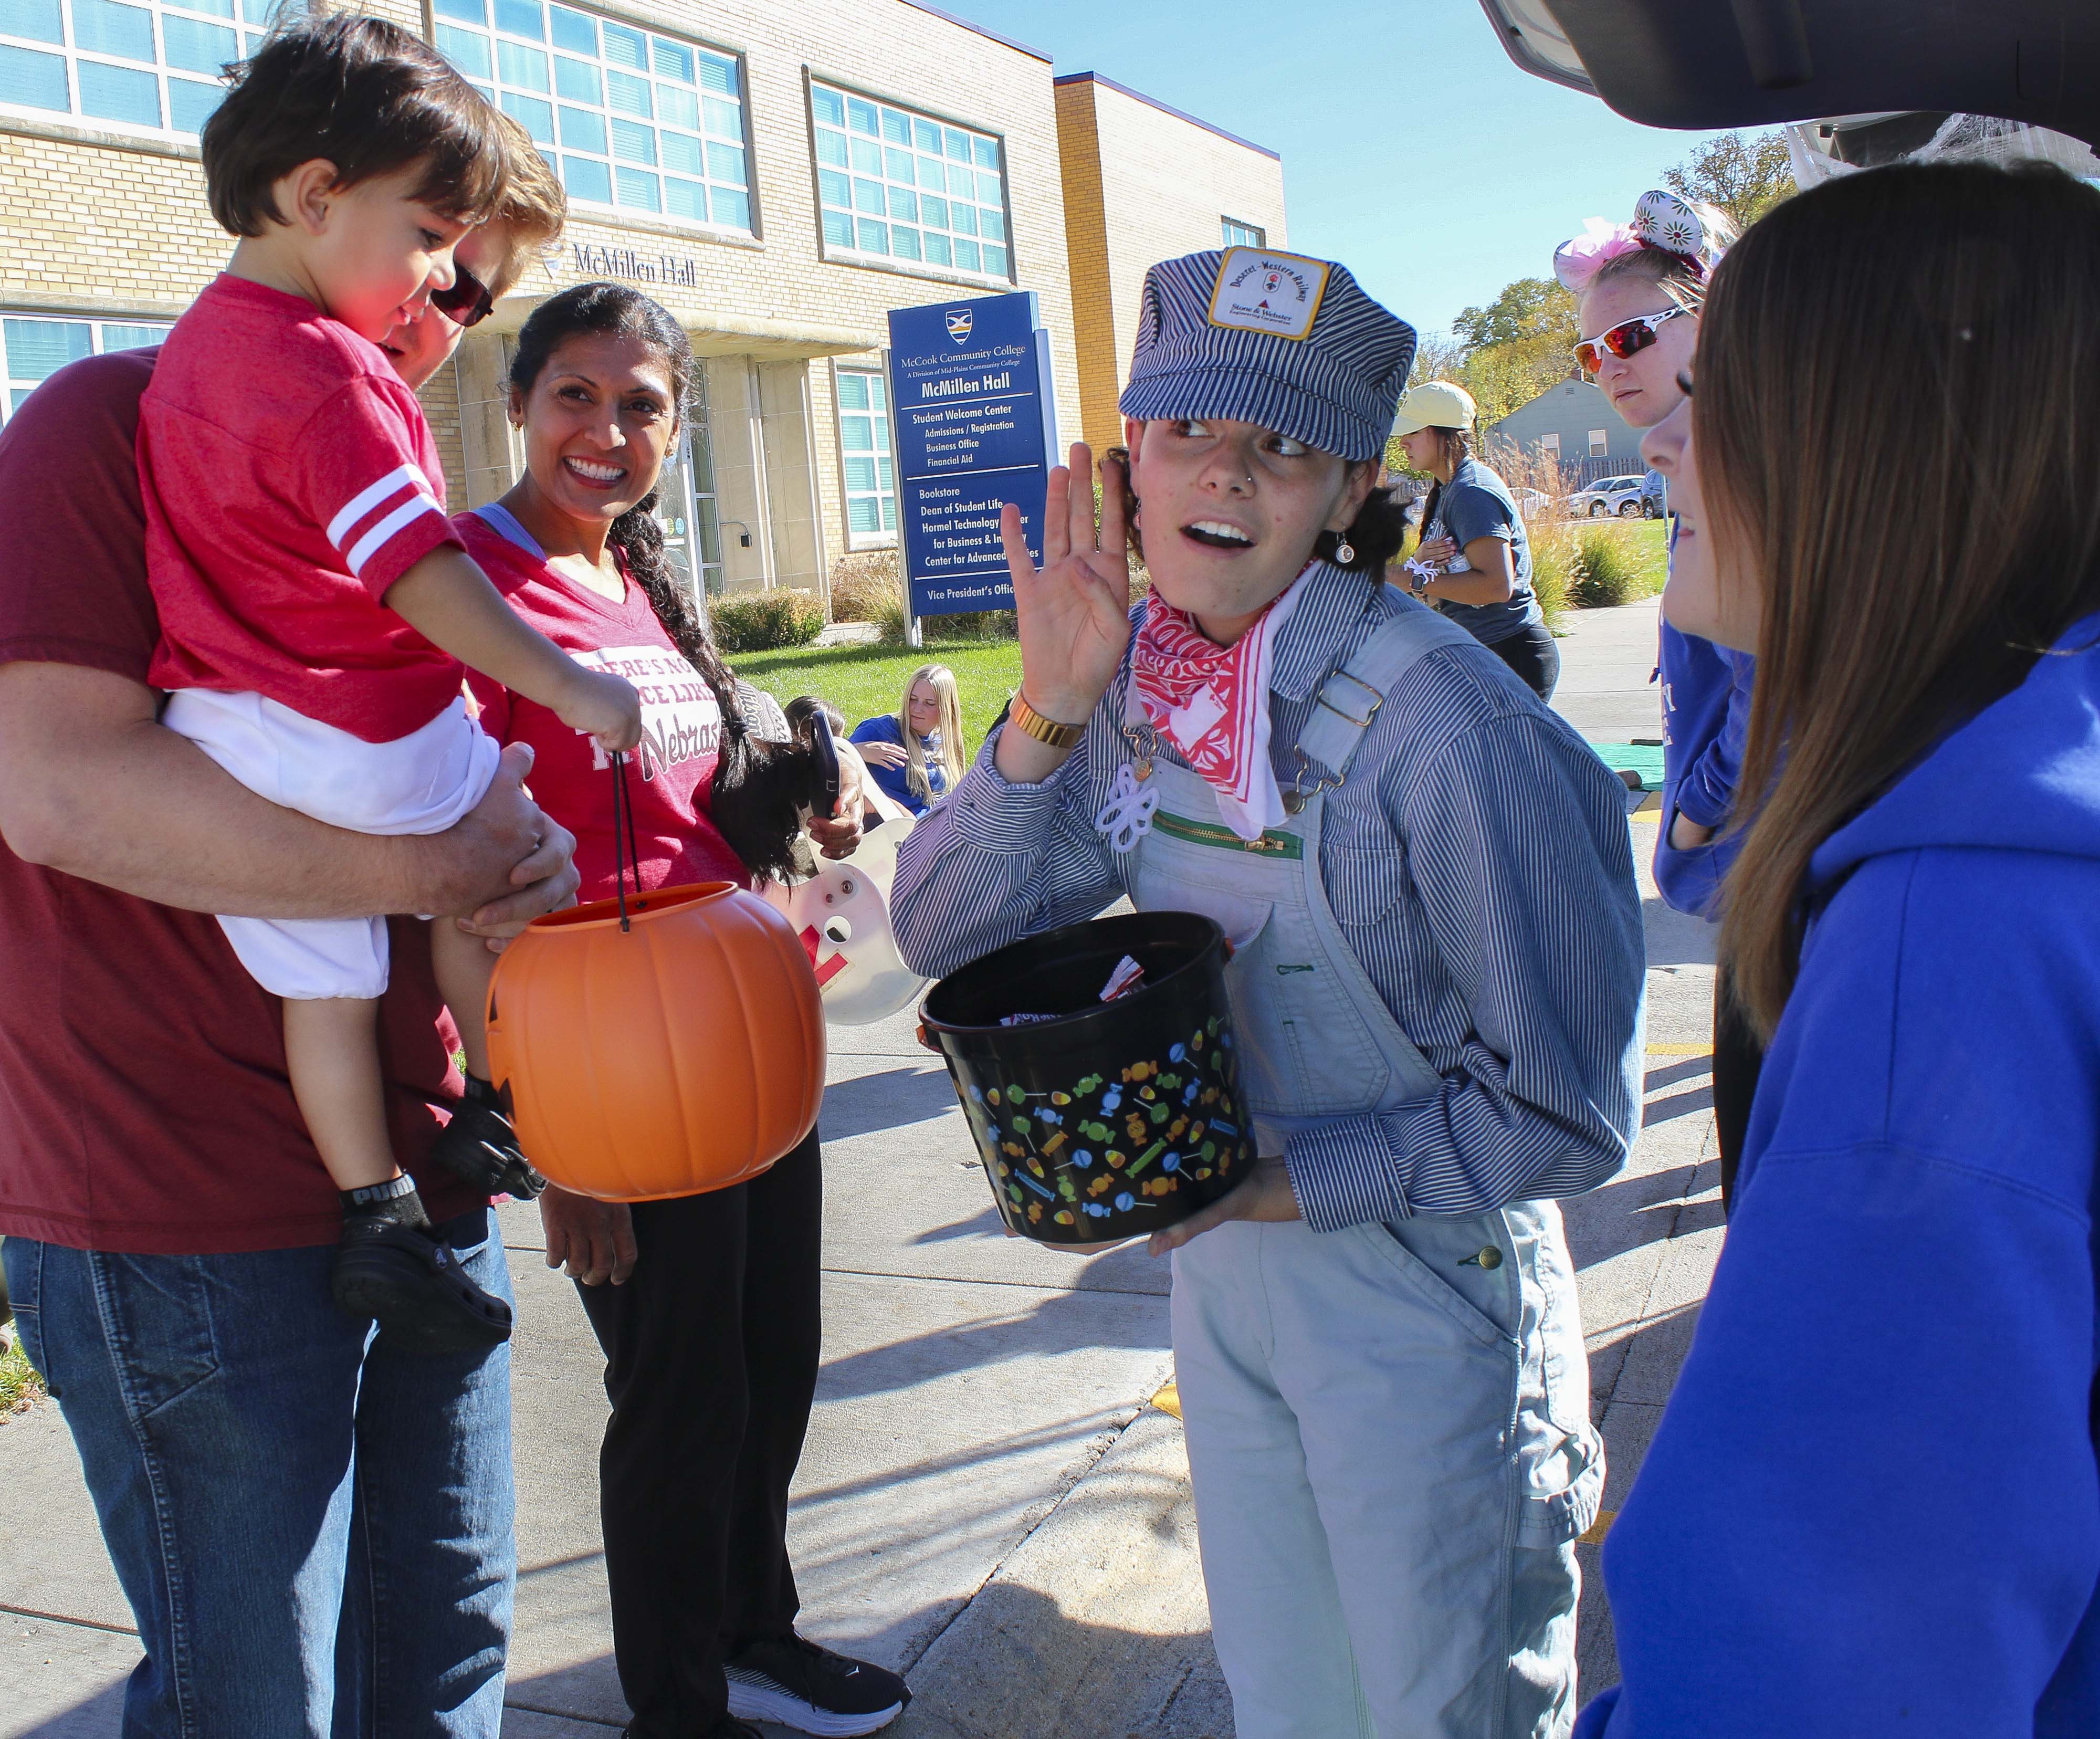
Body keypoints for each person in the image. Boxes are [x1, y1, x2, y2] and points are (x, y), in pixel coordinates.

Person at [891, 247, 1644, 1738]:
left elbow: (1568, 1122)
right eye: (1186, 432)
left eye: (1282, 446)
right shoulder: (1141, 686)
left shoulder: (1457, 738)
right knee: (1291, 1707)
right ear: (1132, 460)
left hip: (1426, 1305)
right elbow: (939, 929)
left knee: (1446, 1718)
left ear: (1355, 488)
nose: (1223, 476)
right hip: (1226, 1290)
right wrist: (1047, 706)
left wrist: (1273, 1183)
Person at [0, 113, 573, 1738]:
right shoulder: (102, 420)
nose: (439, 311)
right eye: (439, 265)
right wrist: (439, 873)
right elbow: (55, 792)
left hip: (412, 1183)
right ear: (331, 211)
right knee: (255, 1707)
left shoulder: (379, 482)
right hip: (181, 1204)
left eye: (476, 299)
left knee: (441, 1672)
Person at [1577, 160, 2100, 1737]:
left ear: (1870, 454)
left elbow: (1818, 1676)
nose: (1660, 435)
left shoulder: (1948, 946)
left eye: (1720, 391)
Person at [137, 14, 643, 1348]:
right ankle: (504, 1098)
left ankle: (373, 1210)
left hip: (235, 729)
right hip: (368, 720)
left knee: (327, 986)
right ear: (316, 197)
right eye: (428, 242)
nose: (432, 284)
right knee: (506, 859)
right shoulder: (337, 378)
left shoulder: (191, 351)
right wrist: (574, 687)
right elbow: (418, 572)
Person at [458, 281, 908, 1739]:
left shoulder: (641, 576)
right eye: (575, 395)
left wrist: (802, 790)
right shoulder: (468, 574)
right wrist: (547, 1135)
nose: (606, 428)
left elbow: (676, 801)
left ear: (677, 424)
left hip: (744, 1019)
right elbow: (441, 873)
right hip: (606, 1055)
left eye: (640, 402)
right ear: (520, 403)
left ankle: (752, 1629)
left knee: (773, 1360)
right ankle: (678, 1706)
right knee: (677, 1398)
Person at [1553, 189, 1757, 1208]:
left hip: (1775, 863)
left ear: (1705, 311)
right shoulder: (1709, 458)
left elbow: (1775, 680)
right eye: (1591, 353)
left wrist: (1693, 812)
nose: (1608, 367)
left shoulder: (1754, 459)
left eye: (1629, 335)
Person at [1392, 380, 1559, 699]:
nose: (1403, 442)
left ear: (1443, 433)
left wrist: (1409, 578)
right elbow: (1444, 595)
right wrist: (1420, 565)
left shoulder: (1471, 492)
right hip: (1486, 654)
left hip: (1511, 656)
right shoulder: (1448, 490)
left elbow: (1496, 587)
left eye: (1413, 432)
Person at [850, 663, 963, 814]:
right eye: (912, 699)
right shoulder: (878, 730)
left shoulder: (945, 741)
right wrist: (858, 751)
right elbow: (829, 765)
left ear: (947, 707)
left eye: (929, 703)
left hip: (937, 826)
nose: (917, 709)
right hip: (894, 829)